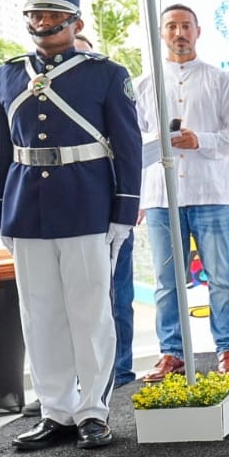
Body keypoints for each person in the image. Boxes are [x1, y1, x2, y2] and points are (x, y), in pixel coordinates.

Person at [0, 0, 141, 452]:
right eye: (36, 15)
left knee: (90, 311)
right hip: (26, 207)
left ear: (76, 22)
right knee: (40, 312)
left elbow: (127, 146)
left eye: (54, 16)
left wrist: (123, 213)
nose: (43, 24)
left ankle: (94, 411)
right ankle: (56, 411)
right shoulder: (7, 75)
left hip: (87, 204)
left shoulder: (105, 73)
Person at [136, 4, 229, 380]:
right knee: (167, 281)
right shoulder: (144, 84)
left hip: (211, 193)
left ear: (198, 31)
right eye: (172, 26)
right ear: (160, 32)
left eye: (186, 25)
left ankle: (228, 349)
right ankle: (172, 353)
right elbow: (130, 143)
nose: (179, 33)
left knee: (220, 276)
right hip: (161, 196)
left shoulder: (220, 80)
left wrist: (197, 139)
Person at [75, 32, 139, 388]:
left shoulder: (109, 91)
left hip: (110, 214)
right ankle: (74, 380)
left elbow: (130, 151)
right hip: (71, 217)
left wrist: (127, 207)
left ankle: (120, 370)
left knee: (115, 296)